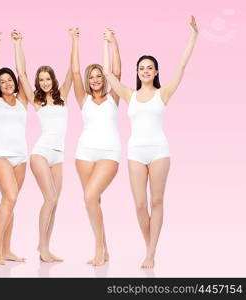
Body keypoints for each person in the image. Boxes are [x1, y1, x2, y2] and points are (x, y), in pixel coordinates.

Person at [103, 17, 199, 268]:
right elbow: (108, 74)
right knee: (139, 204)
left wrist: (193, 36)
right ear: (137, 72)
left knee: (156, 202)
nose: (145, 71)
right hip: (135, 152)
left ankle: (150, 253)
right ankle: (150, 248)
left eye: (149, 68)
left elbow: (181, 64)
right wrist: (113, 43)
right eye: (141, 68)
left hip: (159, 152)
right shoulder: (129, 95)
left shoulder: (162, 93)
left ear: (155, 72)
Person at [11, 30, 72, 262]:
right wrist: (18, 44)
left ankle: (45, 246)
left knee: (55, 203)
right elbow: (22, 74)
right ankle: (42, 247)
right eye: (41, 80)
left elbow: (73, 71)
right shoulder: (36, 100)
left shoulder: (63, 95)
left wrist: (74, 41)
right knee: (50, 199)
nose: (45, 82)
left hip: (59, 156)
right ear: (38, 83)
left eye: (48, 78)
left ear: (53, 80)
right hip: (41, 153)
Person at [70, 27, 121, 266]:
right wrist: (75, 41)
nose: (95, 80)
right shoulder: (84, 99)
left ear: (104, 78)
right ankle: (104, 249)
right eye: (92, 77)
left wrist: (114, 42)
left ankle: (99, 249)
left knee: (90, 196)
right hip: (84, 153)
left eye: (99, 75)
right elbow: (75, 71)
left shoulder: (114, 97)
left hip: (109, 153)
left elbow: (117, 71)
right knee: (93, 201)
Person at [0, 32, 27, 265]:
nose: (7, 83)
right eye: (2, 82)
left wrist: (17, 45)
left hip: (21, 157)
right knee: (9, 198)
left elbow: (24, 73)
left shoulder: (23, 100)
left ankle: (7, 249)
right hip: (0, 155)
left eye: (9, 80)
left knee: (11, 201)